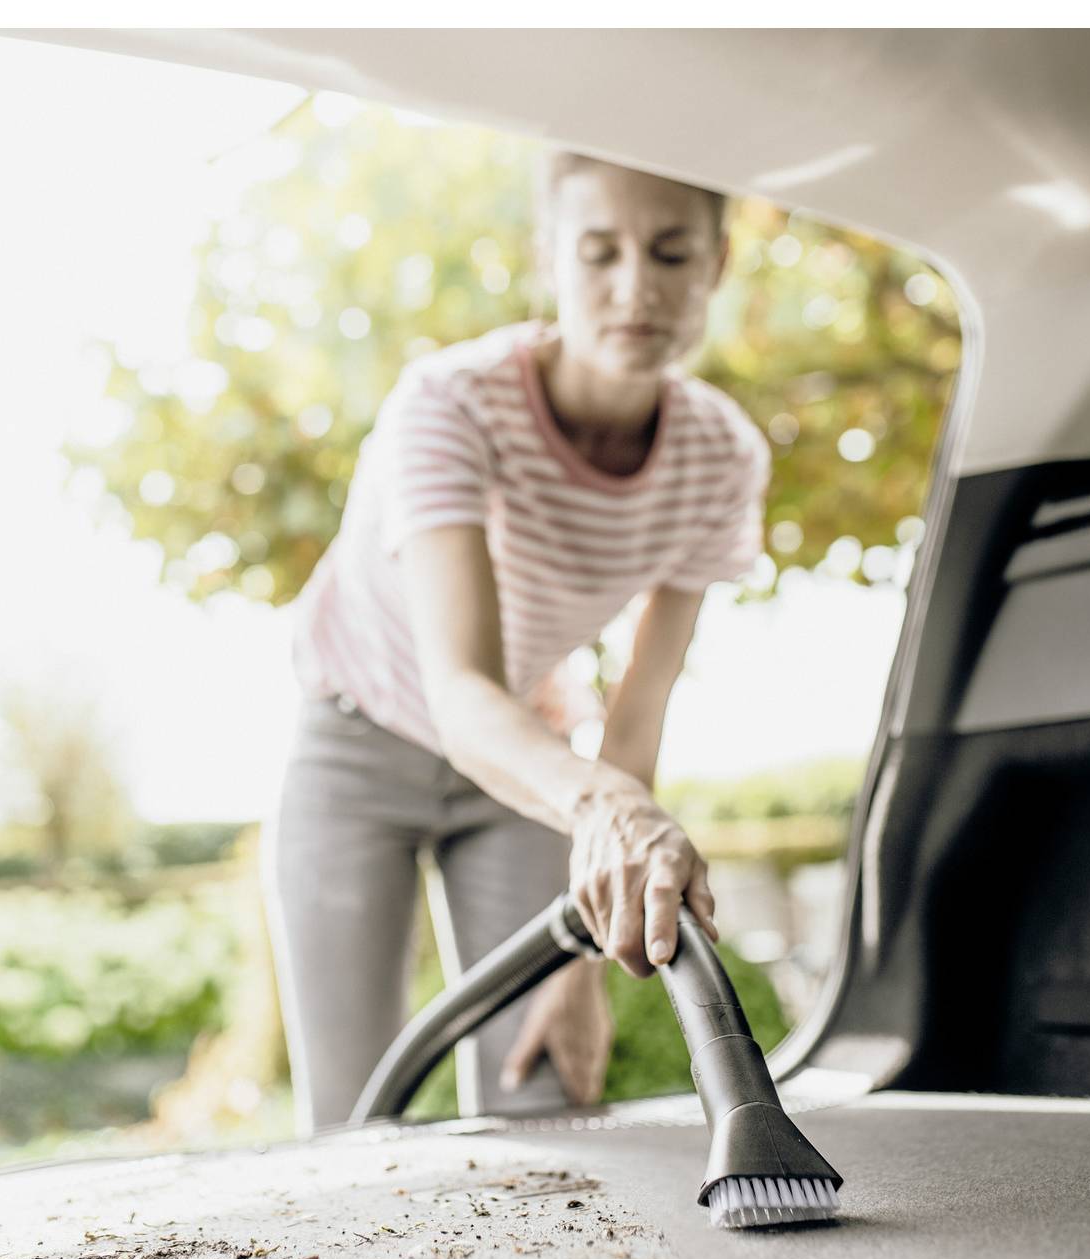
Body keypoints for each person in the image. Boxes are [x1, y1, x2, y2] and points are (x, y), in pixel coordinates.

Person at [261, 150, 771, 1134]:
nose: (636, 289)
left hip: (526, 770)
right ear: (548, 258)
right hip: (359, 737)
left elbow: (641, 702)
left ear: (714, 262)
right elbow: (458, 689)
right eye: (598, 253)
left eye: (670, 253)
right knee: (353, 1113)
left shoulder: (720, 453)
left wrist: (585, 950)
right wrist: (607, 810)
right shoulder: (447, 404)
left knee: (537, 1090)